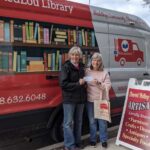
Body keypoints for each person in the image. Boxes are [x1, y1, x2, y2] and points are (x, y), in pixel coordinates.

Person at [59, 46, 87, 150]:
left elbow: (85, 79)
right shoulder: (66, 67)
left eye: (77, 55)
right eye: (73, 54)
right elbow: (63, 84)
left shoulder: (82, 66)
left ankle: (78, 142)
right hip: (69, 99)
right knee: (68, 123)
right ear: (70, 55)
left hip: (80, 99)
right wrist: (78, 84)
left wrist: (86, 83)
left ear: (80, 56)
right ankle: (69, 146)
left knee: (79, 121)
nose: (75, 57)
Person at [85, 52, 111, 148]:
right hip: (90, 100)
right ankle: (93, 139)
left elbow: (108, 86)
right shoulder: (87, 71)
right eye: (94, 60)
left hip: (101, 100)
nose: (96, 62)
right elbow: (85, 80)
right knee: (92, 121)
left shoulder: (104, 72)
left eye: (98, 60)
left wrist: (99, 83)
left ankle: (103, 139)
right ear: (91, 61)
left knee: (102, 121)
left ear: (101, 62)